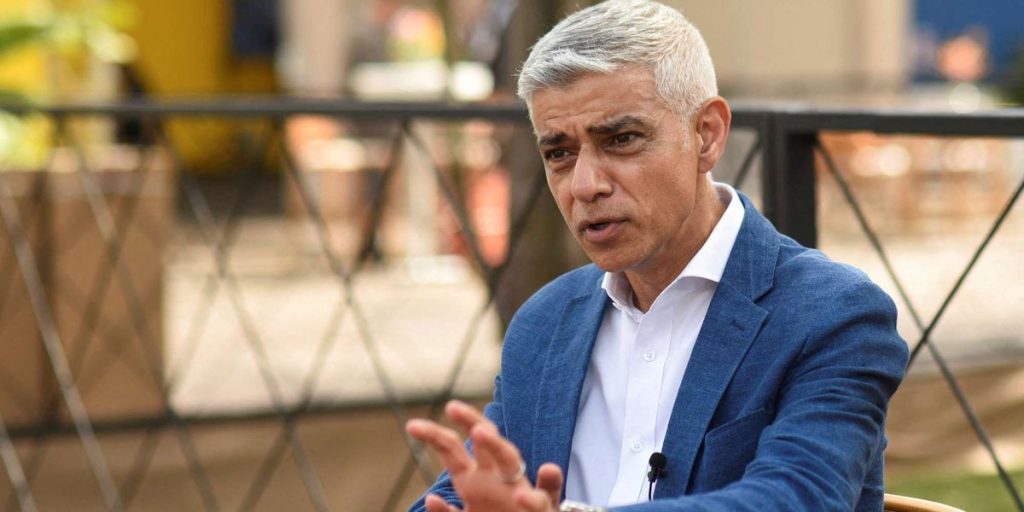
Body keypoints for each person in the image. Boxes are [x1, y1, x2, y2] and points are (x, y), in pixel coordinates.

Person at [406, 1, 909, 510]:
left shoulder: (831, 315)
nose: (584, 185)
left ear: (707, 134)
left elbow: (793, 499)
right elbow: (474, 490)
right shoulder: (546, 322)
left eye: (621, 140)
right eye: (559, 153)